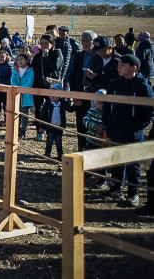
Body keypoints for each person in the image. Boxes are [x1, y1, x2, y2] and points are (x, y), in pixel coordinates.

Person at [103, 54, 154, 207]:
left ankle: (133, 192)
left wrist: (137, 126)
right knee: (116, 160)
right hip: (115, 129)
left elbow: (150, 111)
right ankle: (116, 187)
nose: (119, 68)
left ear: (134, 68)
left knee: (133, 163)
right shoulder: (114, 84)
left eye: (123, 65)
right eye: (119, 65)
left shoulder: (143, 87)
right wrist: (108, 122)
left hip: (133, 132)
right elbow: (107, 105)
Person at [65, 30, 103, 151]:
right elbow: (71, 76)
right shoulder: (78, 56)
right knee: (81, 125)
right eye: (83, 41)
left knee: (96, 125)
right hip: (80, 95)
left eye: (88, 41)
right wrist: (75, 96)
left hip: (96, 96)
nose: (85, 43)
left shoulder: (100, 57)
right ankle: (81, 149)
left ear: (94, 42)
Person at [31, 34, 63, 141]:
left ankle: (52, 133)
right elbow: (33, 69)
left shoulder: (57, 53)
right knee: (38, 109)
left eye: (46, 44)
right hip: (38, 86)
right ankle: (39, 131)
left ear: (52, 44)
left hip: (51, 86)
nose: (44, 46)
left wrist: (46, 57)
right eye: (42, 43)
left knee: (52, 109)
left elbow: (54, 67)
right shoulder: (37, 56)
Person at [82, 89, 109, 189]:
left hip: (101, 142)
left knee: (102, 162)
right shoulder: (91, 111)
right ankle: (87, 173)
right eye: (98, 102)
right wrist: (93, 126)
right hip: (90, 140)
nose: (100, 104)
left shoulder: (108, 114)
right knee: (87, 157)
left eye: (103, 103)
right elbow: (85, 120)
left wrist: (104, 130)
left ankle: (103, 179)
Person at [38, 84, 73, 161]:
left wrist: (76, 105)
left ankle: (60, 155)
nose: (52, 96)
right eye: (51, 93)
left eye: (55, 94)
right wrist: (41, 126)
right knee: (49, 140)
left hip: (59, 126)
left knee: (58, 141)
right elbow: (42, 115)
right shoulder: (47, 104)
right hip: (49, 126)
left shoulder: (63, 103)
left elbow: (70, 109)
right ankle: (47, 153)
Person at [11, 52, 34, 139]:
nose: (19, 61)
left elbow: (29, 83)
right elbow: (13, 81)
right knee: (17, 114)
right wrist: (16, 89)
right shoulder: (15, 71)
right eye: (18, 60)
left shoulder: (30, 71)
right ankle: (16, 129)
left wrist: (19, 89)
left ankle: (23, 130)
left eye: (21, 59)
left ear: (26, 61)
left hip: (26, 95)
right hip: (17, 95)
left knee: (24, 115)